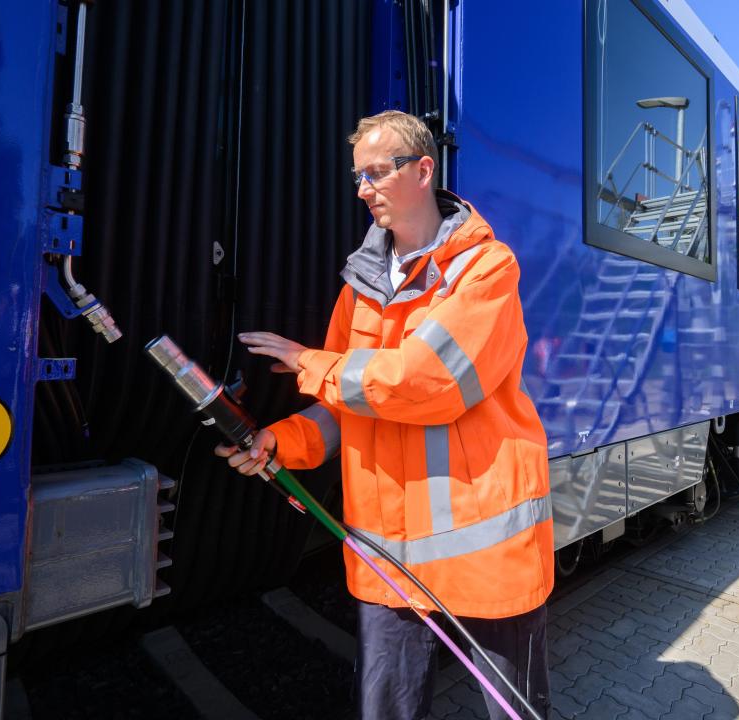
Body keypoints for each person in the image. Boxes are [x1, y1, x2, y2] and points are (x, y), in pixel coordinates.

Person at [216, 110, 554, 720]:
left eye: (377, 172)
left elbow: (431, 384)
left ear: (424, 170)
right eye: (358, 177)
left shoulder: (485, 270)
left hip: (486, 558)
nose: (363, 189)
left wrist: (308, 361)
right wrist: (277, 442)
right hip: (387, 560)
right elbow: (345, 406)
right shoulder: (358, 289)